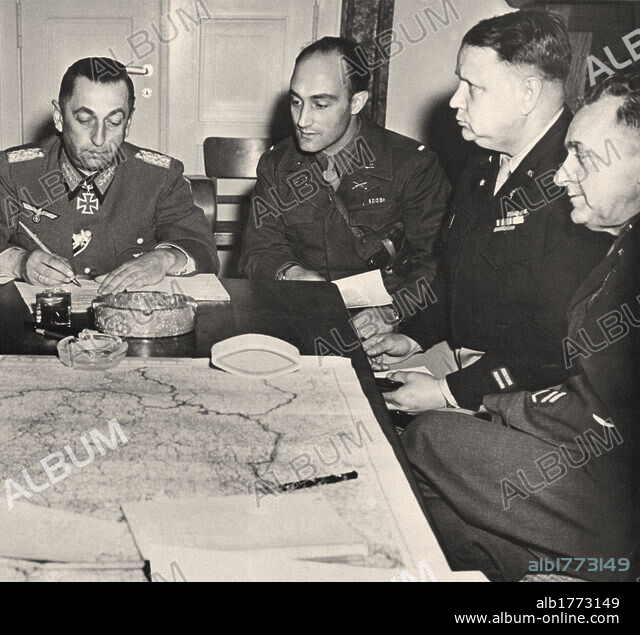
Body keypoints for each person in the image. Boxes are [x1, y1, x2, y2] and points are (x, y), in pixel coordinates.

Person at [401, 66, 640, 582]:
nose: (561, 174)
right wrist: (497, 405)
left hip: (621, 506)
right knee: (442, 519)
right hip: (588, 461)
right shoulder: (621, 244)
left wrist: (473, 399)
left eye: (583, 155)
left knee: (427, 440)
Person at [363, 12, 613, 412]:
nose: (454, 100)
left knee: (408, 438)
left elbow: (555, 348)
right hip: (461, 357)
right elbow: (456, 275)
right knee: (347, 379)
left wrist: (447, 392)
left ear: (528, 93)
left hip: (521, 388)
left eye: (473, 87)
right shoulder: (484, 162)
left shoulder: (580, 185)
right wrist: (413, 336)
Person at [0, 57, 218, 294]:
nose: (99, 138)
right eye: (85, 120)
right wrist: (19, 262)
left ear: (129, 123)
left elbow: (201, 248)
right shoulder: (17, 172)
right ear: (59, 118)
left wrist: (163, 260)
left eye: (114, 121)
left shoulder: (159, 176)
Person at [238, 36, 449, 304]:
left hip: (389, 318)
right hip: (302, 306)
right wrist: (290, 273)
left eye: (321, 104)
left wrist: (395, 313)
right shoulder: (277, 166)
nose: (302, 120)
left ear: (356, 102)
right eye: (296, 102)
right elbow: (258, 251)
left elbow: (435, 262)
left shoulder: (413, 166)